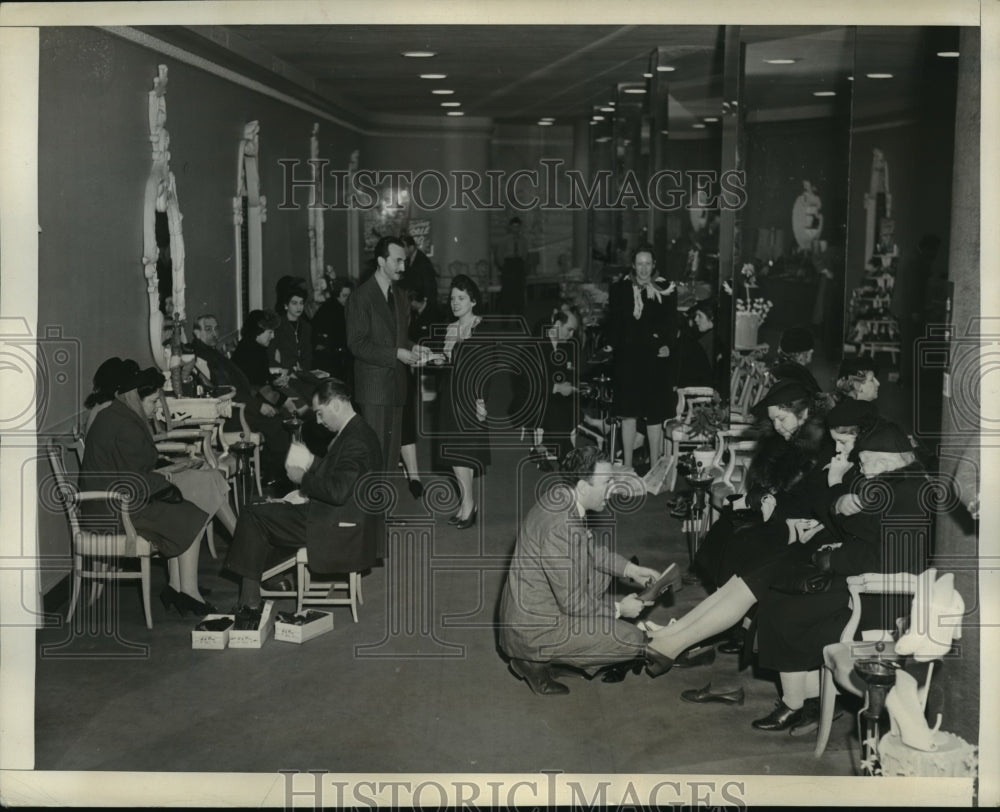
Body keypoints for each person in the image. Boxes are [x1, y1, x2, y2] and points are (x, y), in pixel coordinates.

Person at [645, 420, 927, 732]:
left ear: (899, 460)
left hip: (875, 593)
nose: (864, 467)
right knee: (764, 575)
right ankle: (676, 639)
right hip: (847, 564)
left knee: (781, 598)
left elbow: (883, 552)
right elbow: (857, 528)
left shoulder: (906, 492)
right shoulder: (890, 483)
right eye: (863, 461)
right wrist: (835, 513)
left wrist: (832, 543)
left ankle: (798, 700)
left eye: (872, 461)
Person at [498, 446, 666, 695]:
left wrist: (632, 570)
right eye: (607, 482)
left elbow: (589, 551)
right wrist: (620, 609)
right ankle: (533, 661)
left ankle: (562, 652)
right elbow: (573, 604)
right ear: (584, 486)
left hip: (534, 610)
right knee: (633, 641)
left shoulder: (562, 496)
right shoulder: (562, 527)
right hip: (534, 630)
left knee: (605, 571)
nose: (612, 489)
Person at [224, 378, 384, 625]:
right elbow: (341, 476)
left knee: (253, 512)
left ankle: (251, 601)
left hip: (336, 526)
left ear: (337, 405)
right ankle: (266, 581)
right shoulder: (359, 431)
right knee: (263, 509)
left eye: (320, 413)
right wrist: (312, 461)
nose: (318, 421)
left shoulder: (355, 440)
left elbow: (338, 490)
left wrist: (303, 478)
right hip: (342, 517)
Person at [80, 365, 215, 616]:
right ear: (135, 397)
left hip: (108, 502)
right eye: (152, 401)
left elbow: (133, 471)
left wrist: (164, 482)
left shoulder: (115, 414)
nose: (155, 408)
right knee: (191, 515)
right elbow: (134, 477)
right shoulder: (126, 425)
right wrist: (167, 484)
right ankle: (187, 591)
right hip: (113, 510)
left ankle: (178, 588)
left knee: (182, 511)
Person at [346, 236, 433, 498]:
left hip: (396, 384)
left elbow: (397, 336)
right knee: (376, 456)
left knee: (390, 455)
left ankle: (381, 514)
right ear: (382, 261)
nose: (403, 267)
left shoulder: (398, 294)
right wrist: (397, 353)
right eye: (397, 261)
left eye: (405, 261)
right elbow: (357, 344)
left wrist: (413, 346)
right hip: (374, 389)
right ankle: (371, 517)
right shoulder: (361, 297)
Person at [191, 313, 292, 484]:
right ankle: (276, 477)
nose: (214, 333)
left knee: (280, 415)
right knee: (277, 423)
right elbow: (225, 390)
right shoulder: (203, 356)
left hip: (240, 404)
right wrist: (258, 406)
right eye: (208, 329)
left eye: (216, 329)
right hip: (232, 413)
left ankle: (275, 472)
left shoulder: (210, 352)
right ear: (196, 333)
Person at [431, 275, 494, 529]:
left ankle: (468, 505)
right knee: (457, 455)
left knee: (463, 455)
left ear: (473, 301)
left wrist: (481, 401)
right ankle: (466, 502)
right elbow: (449, 361)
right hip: (450, 396)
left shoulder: (481, 328)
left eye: (461, 298)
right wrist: (436, 360)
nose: (455, 303)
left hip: (470, 397)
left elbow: (486, 369)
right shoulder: (451, 328)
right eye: (452, 298)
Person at [606, 244, 677, 470]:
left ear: (654, 264)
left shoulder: (666, 289)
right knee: (629, 415)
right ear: (633, 266)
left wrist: (668, 345)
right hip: (629, 361)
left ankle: (655, 467)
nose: (644, 269)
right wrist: (610, 346)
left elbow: (671, 323)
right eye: (639, 264)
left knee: (654, 415)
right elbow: (615, 324)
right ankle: (627, 466)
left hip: (655, 361)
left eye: (648, 264)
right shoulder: (621, 289)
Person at [399, 289, 444, 499]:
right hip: (380, 378)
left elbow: (403, 338)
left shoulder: (403, 311)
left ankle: (414, 476)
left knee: (407, 425)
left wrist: (415, 347)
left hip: (401, 375)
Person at [270, 279, 314, 395]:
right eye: (294, 303)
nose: (299, 307)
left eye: (301, 303)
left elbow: (308, 353)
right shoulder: (277, 326)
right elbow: (272, 355)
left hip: (302, 375)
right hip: (283, 377)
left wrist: (303, 370)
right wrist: (289, 371)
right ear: (286, 306)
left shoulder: (306, 326)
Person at [311, 278, 354, 384]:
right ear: (336, 294)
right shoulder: (328, 310)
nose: (347, 299)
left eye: (349, 296)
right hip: (330, 360)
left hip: (341, 358)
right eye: (344, 296)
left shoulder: (346, 308)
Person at [771, 326, 821, 394]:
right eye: (810, 350)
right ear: (799, 354)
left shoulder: (776, 368)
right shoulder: (800, 374)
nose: (812, 352)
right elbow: (818, 399)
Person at [495, 216, 528, 315]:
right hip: (508, 265)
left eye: (517, 227)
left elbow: (525, 253)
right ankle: (505, 320)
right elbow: (499, 255)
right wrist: (504, 266)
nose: (516, 229)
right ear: (510, 227)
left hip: (519, 265)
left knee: (519, 293)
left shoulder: (523, 240)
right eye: (514, 227)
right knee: (507, 293)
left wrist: (521, 262)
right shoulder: (504, 240)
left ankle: (519, 319)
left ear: (520, 227)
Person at [400, 234, 438, 306]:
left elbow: (428, 287)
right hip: (413, 300)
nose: (401, 250)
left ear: (411, 247)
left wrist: (422, 305)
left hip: (423, 302)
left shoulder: (423, 261)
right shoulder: (407, 259)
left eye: (403, 247)